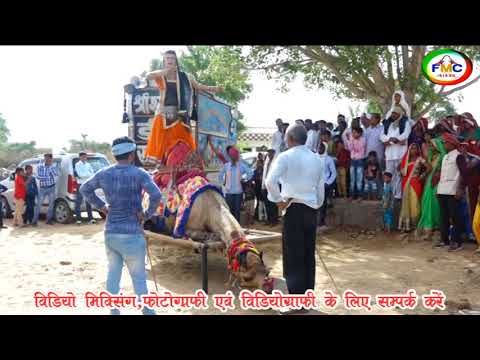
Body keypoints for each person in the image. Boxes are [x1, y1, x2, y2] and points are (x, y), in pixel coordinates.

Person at [80, 137, 162, 315]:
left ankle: (114, 311)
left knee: (113, 274)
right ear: (132, 154)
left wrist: (102, 206)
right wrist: (146, 214)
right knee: (139, 277)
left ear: (115, 154)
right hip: (132, 233)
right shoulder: (139, 174)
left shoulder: (104, 173)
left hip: (111, 233)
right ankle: (147, 311)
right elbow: (156, 195)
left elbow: (84, 189)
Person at [265, 124, 324, 312]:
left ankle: (296, 301)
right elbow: (320, 191)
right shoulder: (317, 158)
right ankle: (307, 297)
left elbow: (269, 181)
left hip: (293, 209)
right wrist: (315, 205)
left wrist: (278, 201)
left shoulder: (285, 156)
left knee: (293, 256)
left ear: (289, 138)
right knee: (308, 254)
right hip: (311, 210)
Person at [144, 50, 223, 164]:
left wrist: (213, 88)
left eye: (172, 58)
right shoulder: (160, 75)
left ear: (176, 60)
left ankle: (183, 165)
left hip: (181, 115)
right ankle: (162, 167)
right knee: (162, 147)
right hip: (163, 114)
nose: (170, 60)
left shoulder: (185, 76)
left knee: (184, 144)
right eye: (167, 58)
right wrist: (164, 72)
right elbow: (148, 76)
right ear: (164, 61)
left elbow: (198, 86)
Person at [435, 133, 466, 251]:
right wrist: (438, 189)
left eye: (446, 142)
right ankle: (444, 240)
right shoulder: (445, 157)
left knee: (455, 217)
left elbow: (464, 174)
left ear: (452, 144)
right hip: (443, 190)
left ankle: (457, 242)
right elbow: (443, 175)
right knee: (443, 217)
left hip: (453, 190)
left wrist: (461, 188)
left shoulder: (459, 156)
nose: (444, 144)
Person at [380, 106, 412, 202]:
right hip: (389, 154)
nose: (393, 115)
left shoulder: (405, 123)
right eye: (392, 113)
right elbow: (382, 135)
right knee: (388, 175)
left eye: (395, 113)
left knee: (398, 175)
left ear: (400, 114)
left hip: (400, 154)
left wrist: (396, 139)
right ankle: (387, 195)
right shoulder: (387, 123)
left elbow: (405, 135)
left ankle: (397, 196)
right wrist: (389, 140)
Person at [417, 138, 447, 238]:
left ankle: (435, 226)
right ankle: (427, 226)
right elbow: (428, 169)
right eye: (430, 145)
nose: (430, 146)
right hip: (429, 182)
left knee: (435, 203)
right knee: (426, 202)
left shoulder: (442, 157)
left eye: (432, 145)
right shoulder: (431, 157)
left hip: (437, 182)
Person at [398, 144, 429, 233]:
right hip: (405, 183)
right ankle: (406, 226)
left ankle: (415, 224)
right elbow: (399, 169)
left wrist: (422, 176)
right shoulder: (405, 159)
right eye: (411, 149)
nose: (413, 150)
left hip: (415, 183)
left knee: (415, 203)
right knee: (406, 204)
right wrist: (401, 171)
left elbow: (429, 167)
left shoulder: (420, 159)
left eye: (415, 148)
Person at [218, 146, 253, 222]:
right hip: (229, 192)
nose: (234, 158)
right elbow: (220, 175)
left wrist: (245, 179)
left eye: (235, 156)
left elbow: (250, 173)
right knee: (229, 211)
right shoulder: (226, 166)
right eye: (232, 156)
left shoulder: (241, 165)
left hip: (238, 192)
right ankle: (231, 227)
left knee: (237, 211)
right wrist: (223, 182)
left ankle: (237, 227)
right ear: (230, 157)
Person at [33, 154, 58, 226]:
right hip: (43, 188)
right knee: (38, 205)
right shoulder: (40, 166)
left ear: (51, 159)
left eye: (48, 159)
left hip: (51, 187)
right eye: (46, 159)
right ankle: (34, 221)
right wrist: (48, 176)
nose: (47, 160)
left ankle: (49, 220)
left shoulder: (53, 167)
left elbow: (56, 174)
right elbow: (38, 176)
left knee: (51, 205)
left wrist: (48, 173)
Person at [343, 127, 366, 201]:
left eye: (355, 132)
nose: (353, 134)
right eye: (352, 132)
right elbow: (350, 149)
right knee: (352, 180)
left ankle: (360, 196)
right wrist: (349, 140)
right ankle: (352, 196)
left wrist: (352, 140)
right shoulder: (352, 139)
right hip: (353, 160)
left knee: (359, 180)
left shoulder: (363, 139)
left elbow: (358, 148)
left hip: (360, 160)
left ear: (360, 133)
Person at [317, 142, 336, 231]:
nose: (319, 149)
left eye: (321, 147)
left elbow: (333, 173)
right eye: (318, 147)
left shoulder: (329, 159)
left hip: (324, 184)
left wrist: (328, 182)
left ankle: (321, 222)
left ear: (325, 148)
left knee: (323, 204)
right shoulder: (314, 157)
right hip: (314, 184)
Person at [75, 152, 96, 225]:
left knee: (88, 202)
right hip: (80, 185)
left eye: (85, 157)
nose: (85, 158)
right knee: (78, 202)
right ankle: (78, 219)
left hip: (87, 184)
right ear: (80, 157)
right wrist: (88, 174)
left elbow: (92, 173)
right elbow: (80, 175)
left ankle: (91, 219)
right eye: (83, 157)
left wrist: (86, 175)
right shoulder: (77, 164)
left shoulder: (88, 164)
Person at [262, 149, 279, 226]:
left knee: (272, 204)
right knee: (267, 204)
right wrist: (262, 185)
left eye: (271, 153)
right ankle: (269, 219)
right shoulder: (267, 162)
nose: (269, 154)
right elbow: (264, 174)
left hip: (272, 185)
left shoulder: (276, 162)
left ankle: (274, 220)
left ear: (274, 153)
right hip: (265, 185)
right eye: (268, 152)